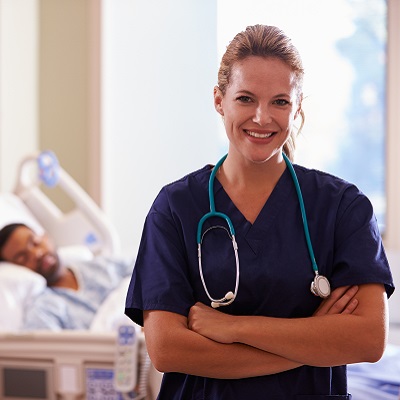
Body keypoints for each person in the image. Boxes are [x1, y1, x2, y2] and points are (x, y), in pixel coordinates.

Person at [125, 24, 395, 399]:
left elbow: (367, 339)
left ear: (297, 106)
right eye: (246, 99)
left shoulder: (343, 207)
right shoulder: (175, 208)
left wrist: (235, 328)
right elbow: (167, 350)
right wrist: (311, 341)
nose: (262, 117)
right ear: (220, 100)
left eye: (280, 102)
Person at [0, 223, 132, 330]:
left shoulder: (102, 265)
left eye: (35, 242)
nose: (37, 254)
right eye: (23, 258)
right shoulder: (45, 310)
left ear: (46, 237)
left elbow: (147, 271)